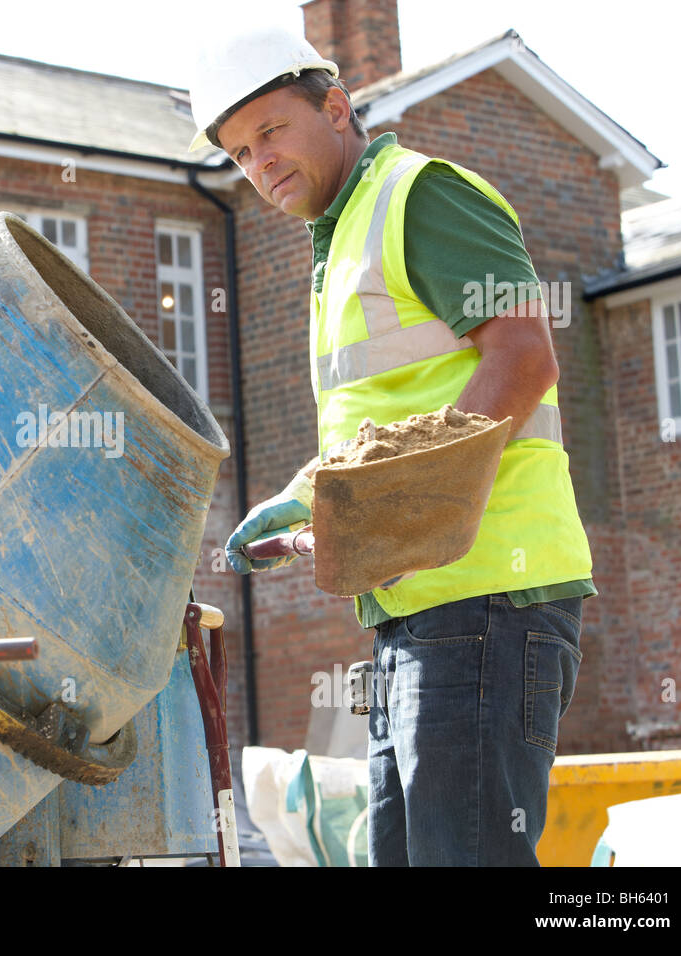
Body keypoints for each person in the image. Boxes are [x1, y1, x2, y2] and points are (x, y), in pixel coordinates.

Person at [192, 25, 595, 866]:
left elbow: (524, 356)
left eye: (270, 132)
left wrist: (409, 514)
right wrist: (314, 491)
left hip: (486, 597)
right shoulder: (339, 242)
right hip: (424, 610)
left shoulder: (421, 196)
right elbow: (392, 414)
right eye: (237, 153)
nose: (257, 163)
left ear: (336, 108)